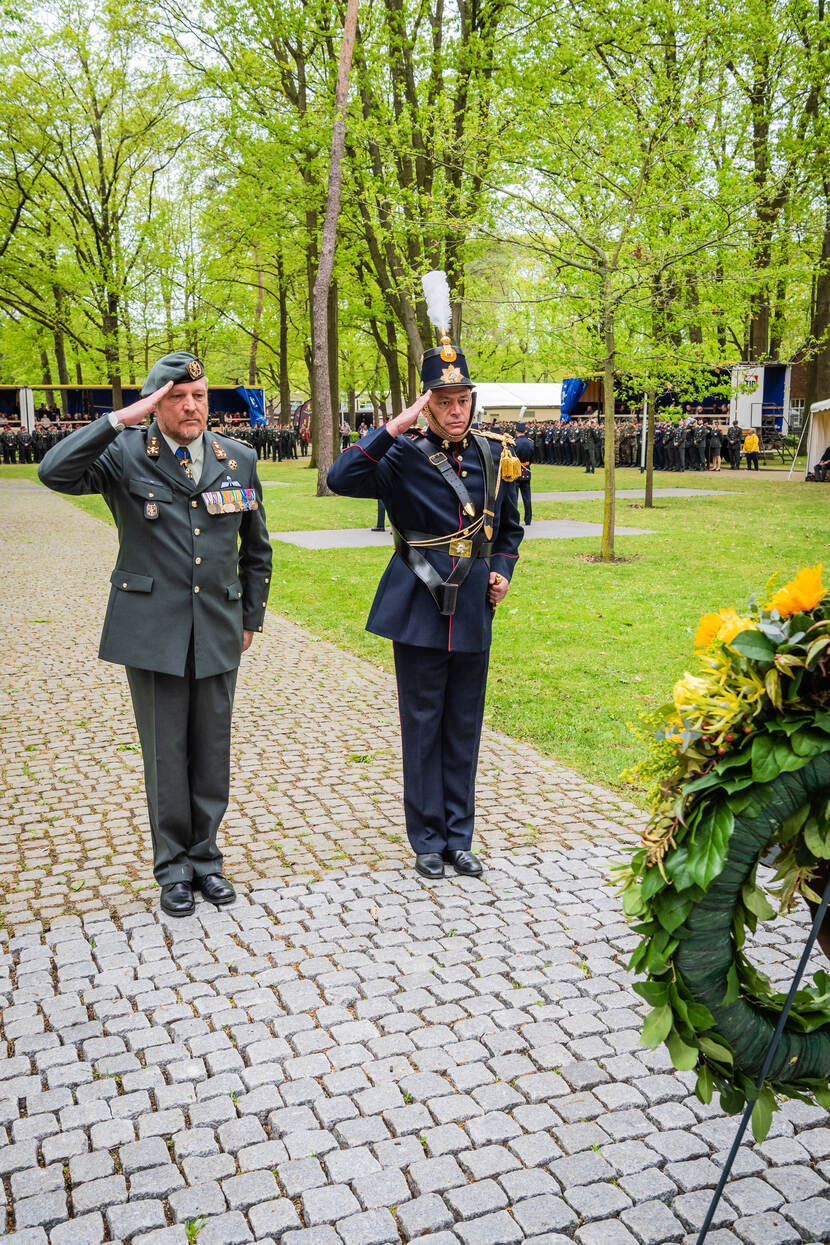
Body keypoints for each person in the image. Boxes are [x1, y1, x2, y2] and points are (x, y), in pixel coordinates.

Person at [39, 351, 273, 918]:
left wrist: (250, 617)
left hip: (217, 627)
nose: (191, 406)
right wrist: (120, 419)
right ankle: (172, 869)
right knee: (167, 752)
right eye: (175, 397)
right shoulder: (122, 454)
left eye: (199, 396)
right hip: (153, 629)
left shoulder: (235, 457)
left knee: (211, 750)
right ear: (153, 404)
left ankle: (207, 860)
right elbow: (53, 472)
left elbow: (256, 550)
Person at [327, 340, 523, 880]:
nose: (455, 411)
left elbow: (509, 527)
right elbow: (340, 478)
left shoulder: (492, 452)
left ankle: (459, 837)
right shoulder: (401, 453)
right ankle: (427, 839)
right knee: (422, 725)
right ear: (426, 403)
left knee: (464, 725)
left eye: (463, 400)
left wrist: (503, 569)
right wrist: (393, 426)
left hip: (474, 606)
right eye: (443, 401)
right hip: (418, 601)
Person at [513, 421, 533, 524]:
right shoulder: (530, 442)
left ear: (516, 431)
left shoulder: (514, 442)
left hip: (516, 472)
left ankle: (515, 520)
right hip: (526, 470)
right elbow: (533, 458)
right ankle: (528, 519)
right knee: (527, 498)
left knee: (514, 498)